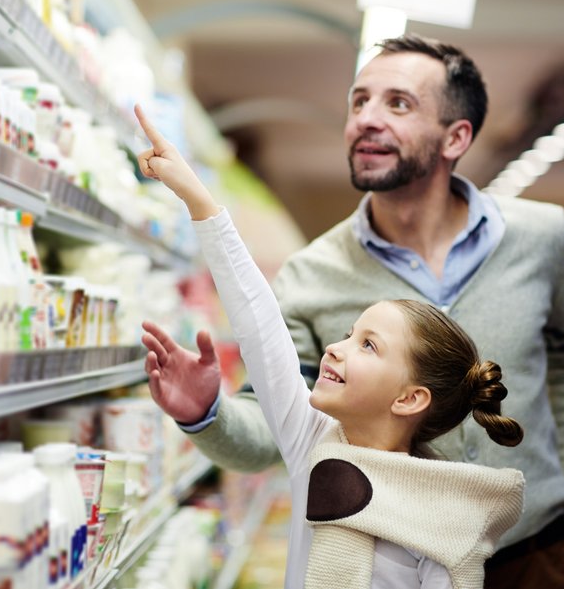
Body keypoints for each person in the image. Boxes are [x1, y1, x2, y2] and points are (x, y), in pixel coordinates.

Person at [139, 34, 564, 589]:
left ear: (455, 136)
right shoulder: (312, 275)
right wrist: (206, 412)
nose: (366, 118)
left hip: (539, 550)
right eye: (358, 101)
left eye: (397, 103)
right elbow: (270, 400)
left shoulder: (546, 239)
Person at [135, 103, 525, 589]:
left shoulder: (442, 515)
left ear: (409, 398)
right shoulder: (313, 441)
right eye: (347, 335)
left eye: (368, 346)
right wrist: (197, 198)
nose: (336, 349)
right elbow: (259, 324)